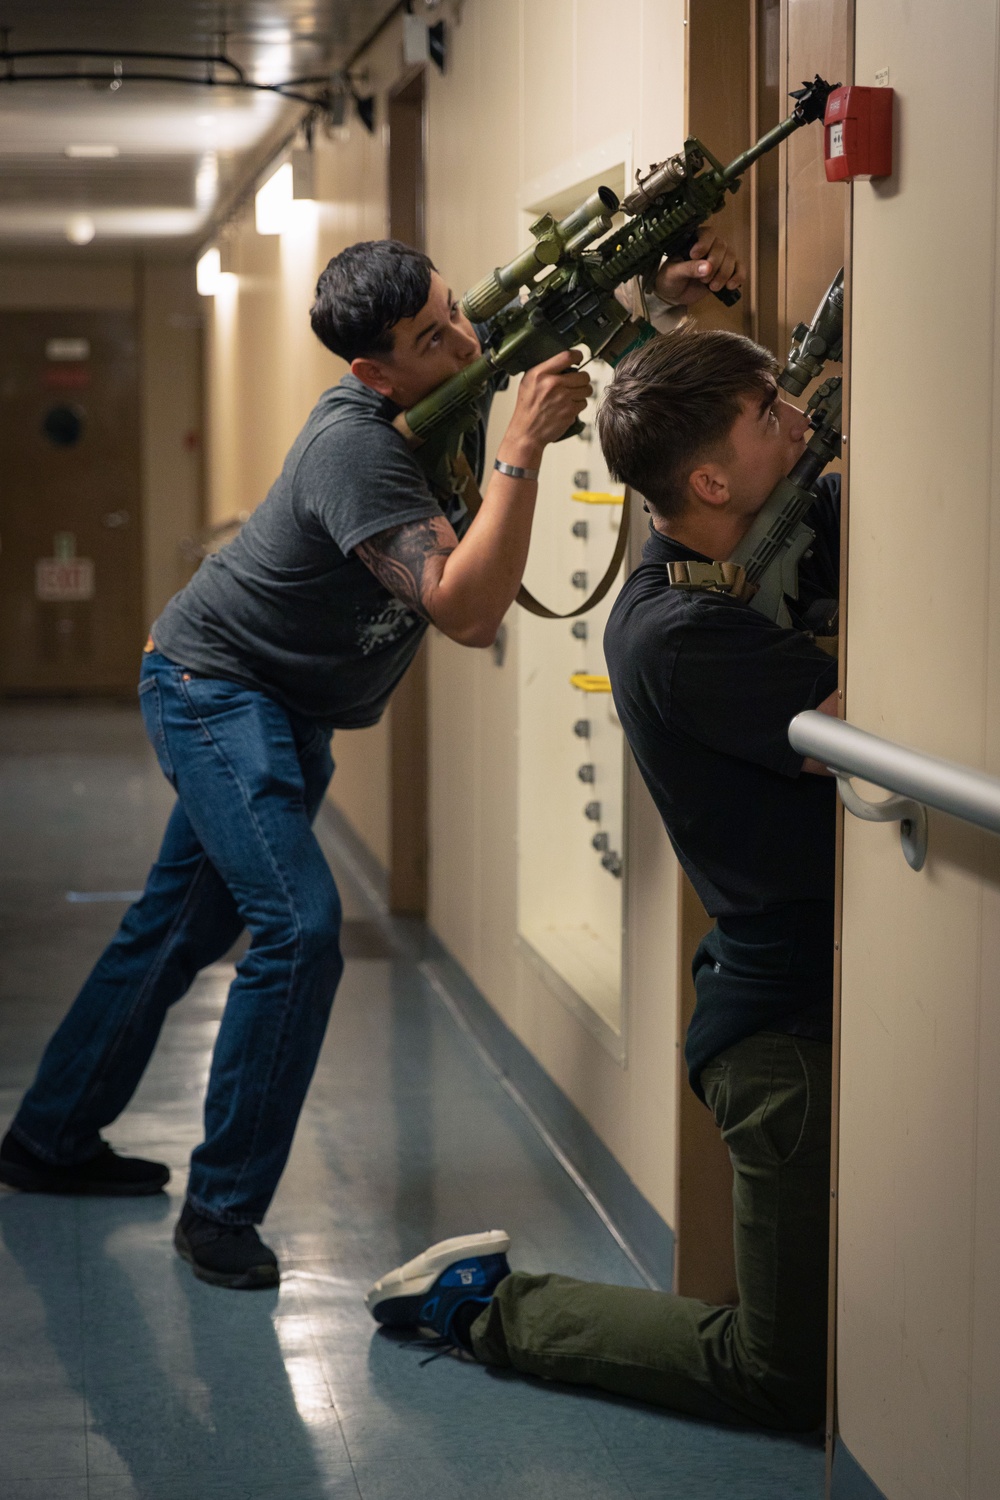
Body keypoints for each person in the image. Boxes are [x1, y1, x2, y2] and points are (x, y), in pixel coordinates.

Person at [0, 234, 741, 1292]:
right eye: (431, 338)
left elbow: (546, 332)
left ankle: (47, 1140)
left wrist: (658, 295)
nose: (463, 341)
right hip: (214, 689)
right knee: (299, 931)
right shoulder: (356, 447)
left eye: (454, 312)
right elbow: (469, 612)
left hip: (285, 710)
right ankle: (220, 1213)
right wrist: (519, 457)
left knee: (175, 926)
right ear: (373, 371)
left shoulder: (449, 367)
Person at [365, 325, 840, 1434]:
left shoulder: (730, 556)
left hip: (804, 994)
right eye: (771, 412)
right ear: (712, 480)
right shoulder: (678, 630)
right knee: (778, 1375)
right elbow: (863, 717)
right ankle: (484, 1307)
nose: (797, 419)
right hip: (783, 1033)